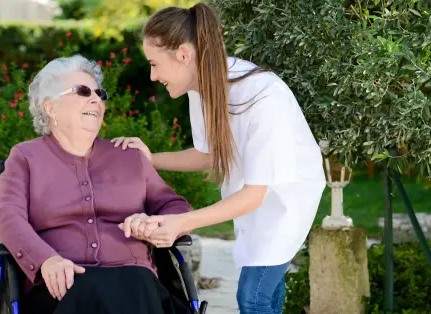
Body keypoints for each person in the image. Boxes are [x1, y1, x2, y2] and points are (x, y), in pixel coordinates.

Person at [112, 3, 326, 314]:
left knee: (253, 297)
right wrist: (150, 158)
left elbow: (254, 195)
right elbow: (209, 154)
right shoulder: (200, 88)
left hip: (287, 196)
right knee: (265, 290)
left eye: (155, 64)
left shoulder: (263, 98)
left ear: (184, 54)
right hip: (253, 195)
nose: (153, 75)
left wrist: (181, 222)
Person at [0, 54, 193, 314]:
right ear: (50, 107)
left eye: (99, 93)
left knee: (136, 282)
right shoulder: (26, 157)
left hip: (135, 284)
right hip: (62, 287)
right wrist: (46, 260)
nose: (95, 99)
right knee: (89, 288)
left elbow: (174, 205)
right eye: (82, 91)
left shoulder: (129, 156)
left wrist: (157, 224)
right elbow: (7, 215)